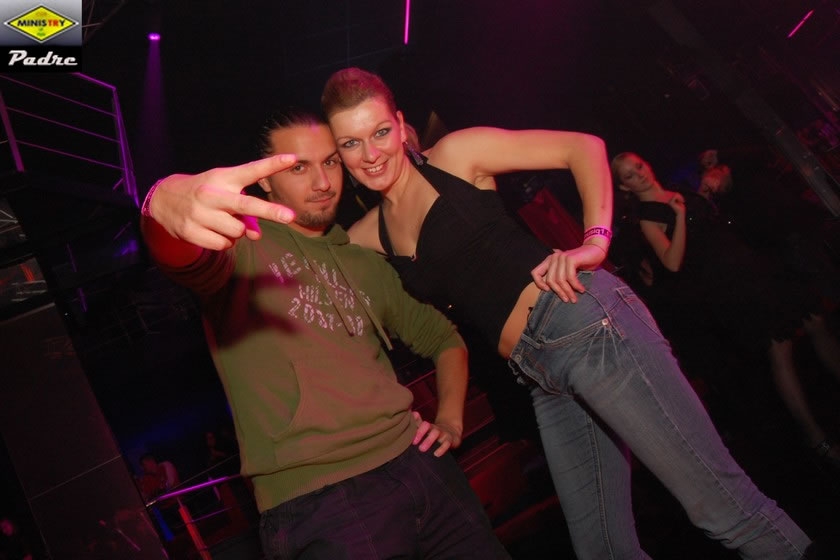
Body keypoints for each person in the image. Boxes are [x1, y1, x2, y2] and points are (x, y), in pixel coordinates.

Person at [316, 67, 813, 559]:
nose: (371, 154)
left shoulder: (455, 155)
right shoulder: (369, 234)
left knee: (723, 510)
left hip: (586, 326)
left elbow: (582, 147)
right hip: (539, 376)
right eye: (351, 143)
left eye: (380, 132)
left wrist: (595, 242)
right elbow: (300, 263)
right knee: (603, 551)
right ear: (335, 155)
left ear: (401, 124)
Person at [140, 107, 510, 559]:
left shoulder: (362, 258)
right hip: (323, 502)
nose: (322, 182)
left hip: (422, 468)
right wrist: (163, 202)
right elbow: (181, 252)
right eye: (299, 167)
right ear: (265, 182)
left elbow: (443, 338)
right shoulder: (242, 246)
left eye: (330, 162)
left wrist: (450, 421)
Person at [613, 152, 840, 472]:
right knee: (780, 347)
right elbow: (672, 262)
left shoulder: (678, 191)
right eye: (629, 175)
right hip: (729, 285)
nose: (639, 174)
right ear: (624, 187)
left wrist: (707, 189)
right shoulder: (648, 217)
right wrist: (679, 216)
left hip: (748, 265)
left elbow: (708, 223)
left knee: (815, 319)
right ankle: (816, 438)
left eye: (638, 166)